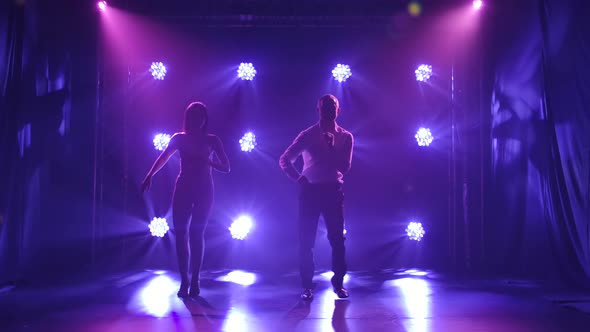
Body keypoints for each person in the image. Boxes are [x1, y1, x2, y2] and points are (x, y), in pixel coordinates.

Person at [141, 102, 230, 297]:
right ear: (187, 118)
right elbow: (164, 157)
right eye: (192, 116)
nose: (195, 119)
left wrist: (209, 161)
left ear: (204, 119)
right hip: (183, 189)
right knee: (181, 235)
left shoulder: (212, 140)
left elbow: (226, 167)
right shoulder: (179, 138)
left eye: (199, 116)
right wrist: (150, 175)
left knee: (196, 234)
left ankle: (195, 279)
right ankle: (184, 280)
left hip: (204, 190)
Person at [279, 94, 354, 300]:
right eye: (325, 106)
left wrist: (331, 148)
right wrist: (299, 178)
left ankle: (338, 284)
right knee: (306, 241)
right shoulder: (308, 135)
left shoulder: (345, 137)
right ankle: (306, 286)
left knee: (337, 240)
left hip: (333, 191)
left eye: (332, 106)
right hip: (311, 192)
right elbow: (285, 159)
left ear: (338, 111)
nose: (329, 109)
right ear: (318, 110)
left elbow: (344, 167)